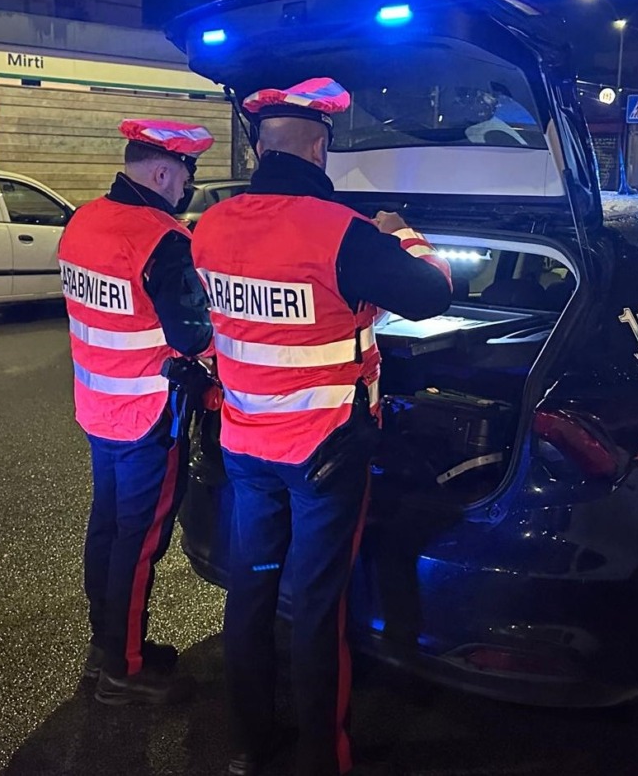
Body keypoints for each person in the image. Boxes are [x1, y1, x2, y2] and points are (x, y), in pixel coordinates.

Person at [190, 78, 454, 776]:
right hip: (323, 452)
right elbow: (433, 293)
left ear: (259, 146)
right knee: (316, 604)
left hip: (245, 442)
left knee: (251, 591)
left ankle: (251, 741)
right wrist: (408, 236)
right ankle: (321, 758)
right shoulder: (343, 232)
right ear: (319, 145)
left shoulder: (211, 225)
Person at [58, 119, 215, 706]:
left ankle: (106, 641)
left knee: (106, 526)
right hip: (149, 412)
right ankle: (123, 667)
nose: (184, 192)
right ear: (160, 172)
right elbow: (194, 334)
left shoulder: (84, 220)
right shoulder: (161, 238)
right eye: (184, 179)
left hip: (97, 406)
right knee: (140, 539)